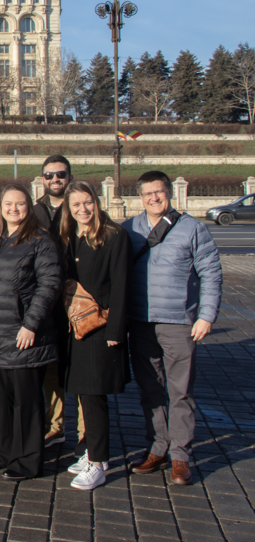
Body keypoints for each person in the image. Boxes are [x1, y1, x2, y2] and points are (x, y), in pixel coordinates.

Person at [124, 170, 222, 486]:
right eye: (148, 193)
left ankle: (181, 455)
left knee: (180, 392)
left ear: (170, 193)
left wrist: (206, 316)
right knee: (150, 391)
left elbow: (211, 274)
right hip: (139, 322)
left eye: (159, 192)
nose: (154, 198)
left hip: (179, 323)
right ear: (140, 198)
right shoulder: (130, 229)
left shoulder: (193, 229)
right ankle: (157, 448)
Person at [0, 184, 61, 481]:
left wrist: (31, 324)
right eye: (8, 203)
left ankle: (27, 460)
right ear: (0, 206)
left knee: (26, 403)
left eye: (20, 204)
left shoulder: (39, 241)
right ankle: (2, 451)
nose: (13, 209)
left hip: (23, 337)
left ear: (29, 207)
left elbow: (50, 286)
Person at [59, 181, 131, 491]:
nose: (82, 209)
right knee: (83, 392)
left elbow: (122, 285)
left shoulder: (114, 236)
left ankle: (99, 462)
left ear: (96, 202)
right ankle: (91, 453)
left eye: (87, 202)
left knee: (94, 393)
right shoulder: (69, 237)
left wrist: (116, 329)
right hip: (76, 327)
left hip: (101, 328)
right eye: (75, 205)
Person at [35, 154, 72, 449]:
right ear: (42, 179)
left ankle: (86, 432)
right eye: (49, 175)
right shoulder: (35, 211)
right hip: (47, 298)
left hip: (77, 297)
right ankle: (54, 423)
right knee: (50, 367)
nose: (55, 180)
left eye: (60, 174)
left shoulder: (82, 205)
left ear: (68, 176)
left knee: (81, 369)